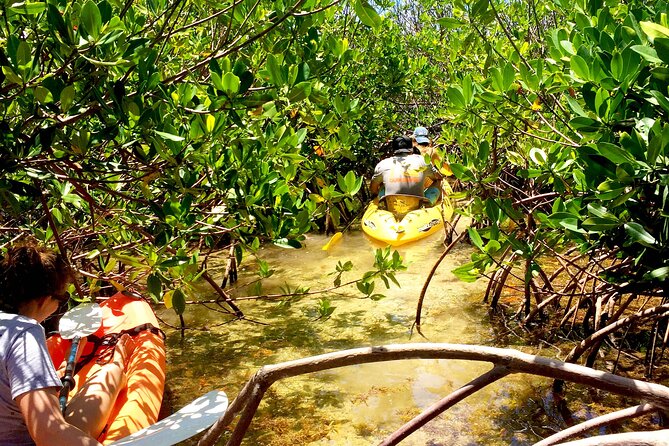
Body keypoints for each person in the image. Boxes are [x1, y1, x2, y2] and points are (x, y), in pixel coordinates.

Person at [0, 242, 133, 446]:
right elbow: (48, 432)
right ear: (45, 300)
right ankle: (119, 360)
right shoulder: (25, 332)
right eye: (61, 298)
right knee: (109, 374)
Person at [370, 136, 441, 219]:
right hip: (417, 205)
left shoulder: (382, 164)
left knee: (381, 185)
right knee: (438, 181)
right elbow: (437, 177)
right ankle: (436, 205)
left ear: (394, 149)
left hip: (391, 205)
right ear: (411, 149)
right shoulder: (422, 160)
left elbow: (373, 189)